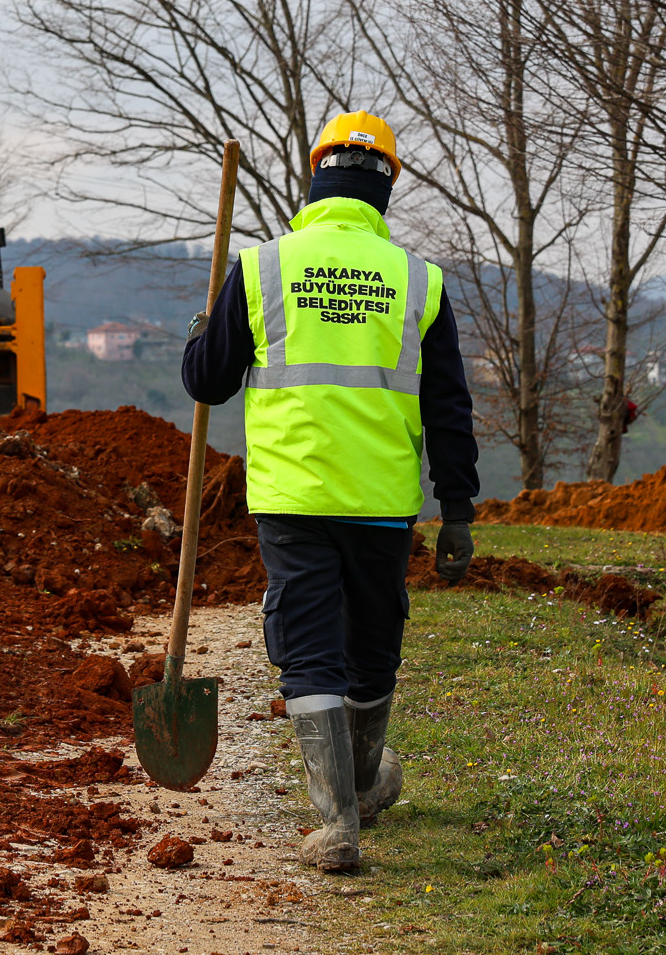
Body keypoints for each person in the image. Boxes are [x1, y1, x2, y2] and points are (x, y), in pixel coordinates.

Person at [182, 113, 479, 873]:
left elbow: (208, 382)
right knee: (374, 646)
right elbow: (449, 408)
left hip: (292, 496)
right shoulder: (418, 280)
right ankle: (362, 783)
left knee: (309, 649)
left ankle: (338, 816)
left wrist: (200, 335)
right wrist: (459, 510)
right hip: (380, 500)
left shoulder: (262, 270)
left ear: (316, 178)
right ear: (385, 190)